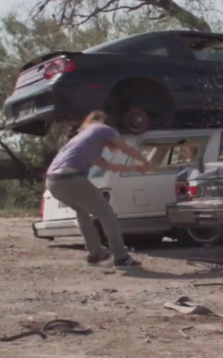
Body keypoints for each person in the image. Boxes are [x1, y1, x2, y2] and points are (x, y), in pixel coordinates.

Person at [46, 111, 154, 269]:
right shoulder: (101, 128)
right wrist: (145, 161)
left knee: (81, 210)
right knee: (106, 213)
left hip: (53, 181)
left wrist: (136, 168)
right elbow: (125, 147)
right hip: (70, 178)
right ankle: (120, 256)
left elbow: (106, 166)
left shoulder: (83, 139)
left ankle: (95, 252)